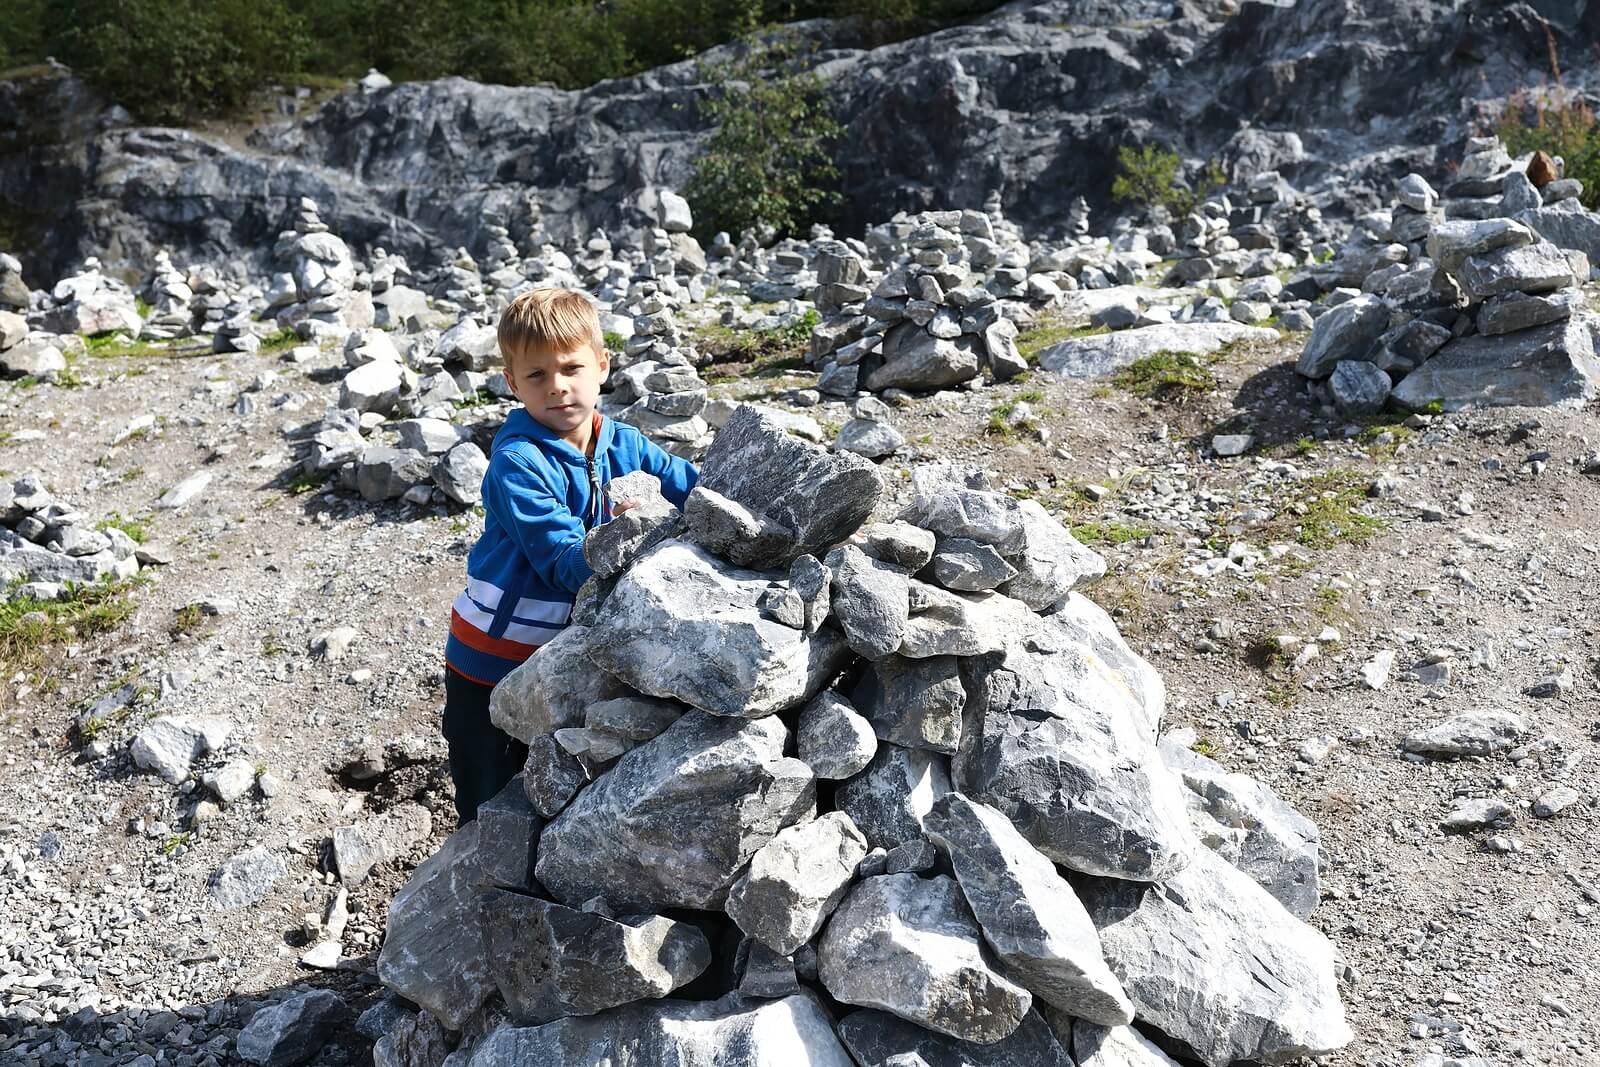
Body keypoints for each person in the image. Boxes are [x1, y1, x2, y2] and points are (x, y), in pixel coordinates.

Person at [442, 287, 697, 822]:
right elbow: (562, 564)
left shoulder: (623, 444)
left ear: (602, 366)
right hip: (493, 656)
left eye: (571, 368)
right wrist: (628, 528)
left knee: (556, 784)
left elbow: (693, 488)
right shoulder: (517, 463)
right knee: (486, 791)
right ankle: (476, 884)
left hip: (563, 656)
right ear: (512, 383)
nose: (557, 387)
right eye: (536, 375)